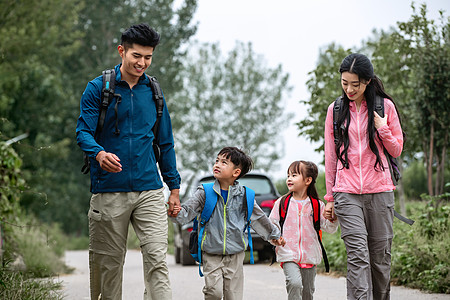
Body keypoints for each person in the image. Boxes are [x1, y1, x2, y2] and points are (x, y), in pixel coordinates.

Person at [76, 23, 181, 300]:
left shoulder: (154, 93)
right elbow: (83, 132)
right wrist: (98, 153)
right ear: (121, 51)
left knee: (158, 260)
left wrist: (173, 188)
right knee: (108, 267)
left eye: (148, 57)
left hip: (149, 189)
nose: (142, 63)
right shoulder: (98, 88)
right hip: (109, 190)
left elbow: (165, 143)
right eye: (137, 56)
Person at [323, 53, 404, 300]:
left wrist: (383, 128)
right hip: (347, 194)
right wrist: (330, 197)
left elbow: (397, 149)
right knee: (358, 258)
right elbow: (331, 157)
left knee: (380, 261)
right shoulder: (335, 110)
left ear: (367, 81)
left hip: (380, 191)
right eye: (344, 82)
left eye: (355, 84)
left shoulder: (385, 107)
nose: (349, 89)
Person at [172, 147, 285, 300]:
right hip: (211, 252)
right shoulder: (204, 192)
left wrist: (274, 235)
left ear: (236, 172)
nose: (217, 164)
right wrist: (174, 211)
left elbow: (259, 219)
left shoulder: (245, 195)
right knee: (214, 292)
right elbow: (186, 212)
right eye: (217, 161)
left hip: (236, 253)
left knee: (234, 296)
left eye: (224, 162)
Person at [269, 160, 338, 300]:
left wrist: (333, 218)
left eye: (294, 175)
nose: (289, 178)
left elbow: (330, 228)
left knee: (307, 293)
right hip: (288, 254)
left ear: (308, 180)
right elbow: (272, 226)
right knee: (294, 284)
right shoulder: (281, 203)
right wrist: (275, 238)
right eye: (288, 175)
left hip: (310, 256)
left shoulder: (317, 205)